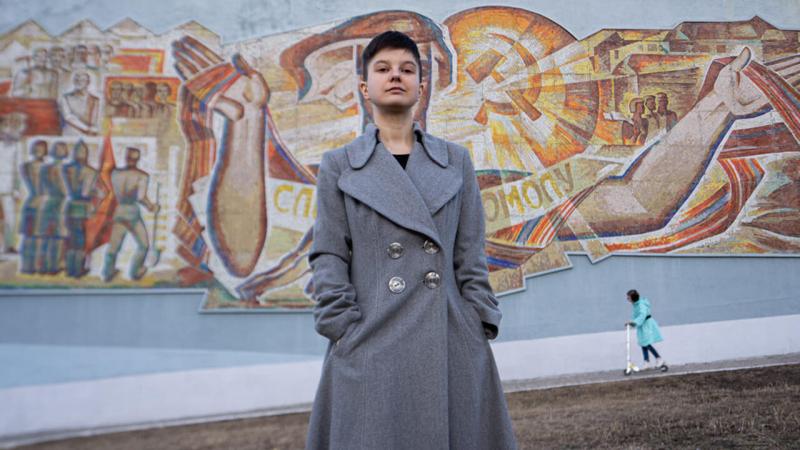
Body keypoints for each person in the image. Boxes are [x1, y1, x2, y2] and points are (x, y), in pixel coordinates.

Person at [305, 31, 517, 449]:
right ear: (364, 87)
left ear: (421, 86)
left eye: (406, 69)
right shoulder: (339, 166)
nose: (395, 76)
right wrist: (341, 326)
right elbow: (328, 254)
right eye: (383, 69)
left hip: (450, 341)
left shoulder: (455, 161)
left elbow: (469, 253)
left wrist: (478, 318)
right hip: (368, 339)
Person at [101, 147, 157, 282]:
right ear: (138, 159)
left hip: (119, 210)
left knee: (114, 246)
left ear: (126, 158)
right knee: (144, 245)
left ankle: (108, 273)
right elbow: (141, 197)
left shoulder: (115, 173)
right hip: (132, 212)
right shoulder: (142, 176)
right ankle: (135, 272)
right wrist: (151, 206)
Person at [626, 289, 665, 369]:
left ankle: (659, 358)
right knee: (643, 343)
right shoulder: (636, 305)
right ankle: (646, 361)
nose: (627, 299)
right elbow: (635, 316)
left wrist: (634, 322)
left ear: (633, 297)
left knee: (646, 343)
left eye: (628, 298)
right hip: (642, 325)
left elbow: (642, 315)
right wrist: (631, 322)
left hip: (647, 324)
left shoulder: (641, 304)